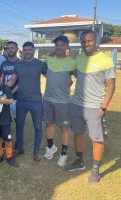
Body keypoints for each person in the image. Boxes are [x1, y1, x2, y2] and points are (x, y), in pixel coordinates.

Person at [67, 30, 116, 183]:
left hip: (95, 107)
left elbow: (111, 87)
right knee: (78, 133)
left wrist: (103, 107)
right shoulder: (80, 58)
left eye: (89, 41)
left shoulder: (106, 60)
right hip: (77, 104)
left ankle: (95, 169)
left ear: (95, 41)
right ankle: (79, 161)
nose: (86, 44)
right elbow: (72, 73)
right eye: (83, 42)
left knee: (97, 138)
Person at [7, 41, 47, 161]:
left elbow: (50, 77)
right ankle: (20, 148)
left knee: (38, 127)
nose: (27, 52)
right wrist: (1, 90)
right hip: (21, 100)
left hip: (36, 101)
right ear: (22, 51)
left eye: (30, 50)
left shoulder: (40, 64)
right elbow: (12, 80)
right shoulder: (18, 65)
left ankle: (36, 151)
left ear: (33, 51)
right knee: (19, 125)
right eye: (25, 50)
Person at [43, 35, 76, 167]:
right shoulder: (49, 59)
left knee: (64, 128)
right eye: (57, 45)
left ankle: (63, 154)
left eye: (62, 45)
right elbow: (47, 73)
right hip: (48, 99)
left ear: (67, 47)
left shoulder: (72, 62)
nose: (59, 47)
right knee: (49, 124)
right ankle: (51, 147)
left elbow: (79, 77)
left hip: (63, 101)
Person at [0, 41, 20, 121]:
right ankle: (7, 133)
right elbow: (2, 79)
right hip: (5, 96)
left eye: (12, 48)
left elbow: (21, 82)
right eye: (8, 48)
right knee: (5, 119)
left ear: (17, 49)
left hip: (17, 97)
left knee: (17, 120)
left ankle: (18, 134)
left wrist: (10, 93)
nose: (10, 50)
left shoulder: (20, 63)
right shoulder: (3, 63)